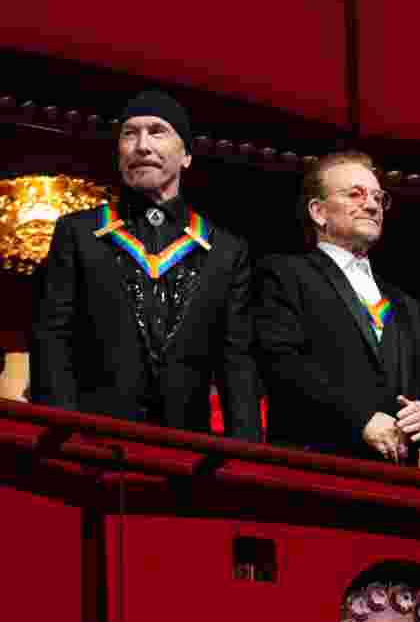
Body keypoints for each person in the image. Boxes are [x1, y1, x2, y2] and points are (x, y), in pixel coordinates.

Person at [31, 90, 261, 440]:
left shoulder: (227, 251)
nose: (141, 145)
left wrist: (247, 457)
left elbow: (236, 361)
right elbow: (52, 337)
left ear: (186, 155)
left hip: (185, 451)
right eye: (129, 133)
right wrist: (63, 433)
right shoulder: (77, 233)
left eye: (157, 131)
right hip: (92, 445)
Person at [254, 150, 420, 464]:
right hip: (316, 467)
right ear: (318, 211)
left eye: (378, 197)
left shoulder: (409, 306)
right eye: (355, 194)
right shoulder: (285, 274)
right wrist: (361, 418)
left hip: (397, 476)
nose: (371, 205)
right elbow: (282, 365)